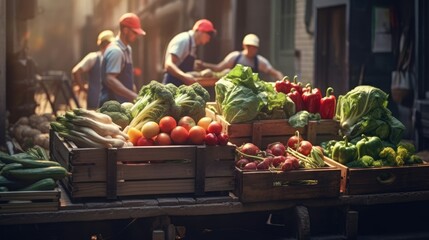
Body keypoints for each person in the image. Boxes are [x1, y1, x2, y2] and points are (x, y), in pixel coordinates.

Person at [99, 13, 145, 105]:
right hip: (111, 105)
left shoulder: (127, 49)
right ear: (125, 30)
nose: (136, 36)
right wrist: (133, 95)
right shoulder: (116, 51)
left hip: (123, 104)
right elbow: (110, 79)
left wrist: (133, 91)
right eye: (134, 32)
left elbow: (126, 76)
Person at [197, 33, 284, 81]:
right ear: (244, 45)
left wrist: (282, 80)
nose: (251, 49)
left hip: (251, 93)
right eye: (249, 46)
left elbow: (275, 73)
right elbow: (218, 68)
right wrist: (203, 65)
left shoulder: (260, 62)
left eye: (254, 47)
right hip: (234, 91)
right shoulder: (235, 57)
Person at [162, 19, 217, 86]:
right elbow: (168, 64)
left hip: (180, 85)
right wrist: (184, 77)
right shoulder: (184, 40)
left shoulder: (192, 45)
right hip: (172, 84)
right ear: (200, 31)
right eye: (209, 34)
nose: (209, 39)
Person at [71, 30, 115, 109]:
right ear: (105, 44)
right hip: (95, 102)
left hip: (109, 102)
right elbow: (76, 71)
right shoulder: (93, 57)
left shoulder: (112, 58)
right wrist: (82, 87)